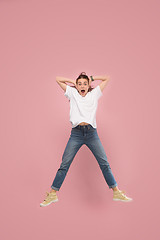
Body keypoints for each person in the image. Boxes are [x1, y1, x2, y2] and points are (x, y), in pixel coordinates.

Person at [40, 72, 133, 207]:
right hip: (76, 134)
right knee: (64, 165)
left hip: (91, 134)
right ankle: (53, 194)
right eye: (79, 84)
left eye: (85, 84)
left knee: (104, 164)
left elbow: (107, 78)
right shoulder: (72, 93)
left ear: (89, 85)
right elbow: (57, 79)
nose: (82, 86)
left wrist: (92, 78)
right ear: (76, 86)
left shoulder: (94, 94)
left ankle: (116, 192)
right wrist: (73, 81)